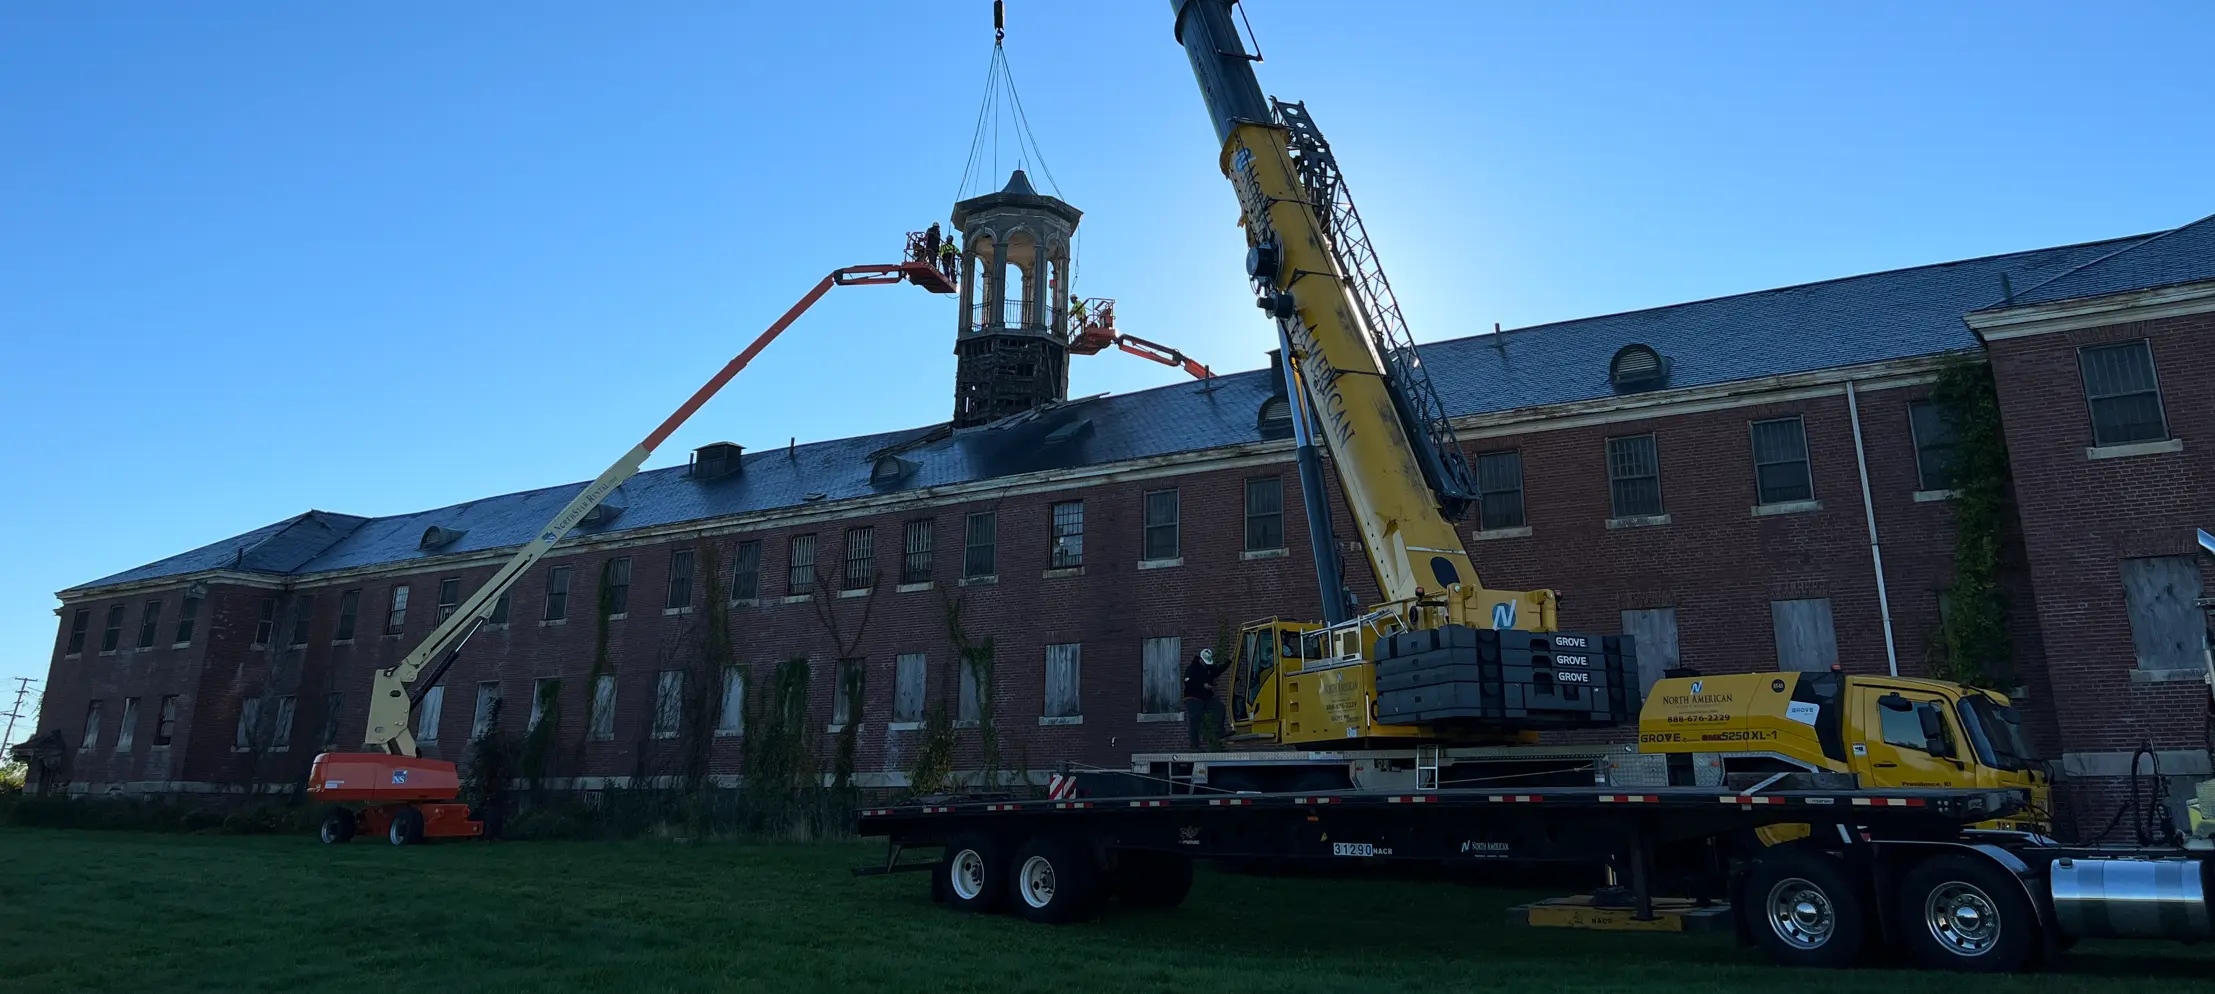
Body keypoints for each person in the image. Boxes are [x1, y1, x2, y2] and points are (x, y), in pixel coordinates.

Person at [1183, 648, 1231, 749]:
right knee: (1195, 718)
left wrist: (1229, 662)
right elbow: (1188, 683)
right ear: (1200, 660)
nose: (1207, 665)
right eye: (1205, 663)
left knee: (1220, 707)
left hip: (1206, 698)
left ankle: (1219, 731)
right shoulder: (1191, 669)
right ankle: (1194, 746)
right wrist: (1202, 685)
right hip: (1193, 698)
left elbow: (1217, 671)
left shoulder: (1209, 668)